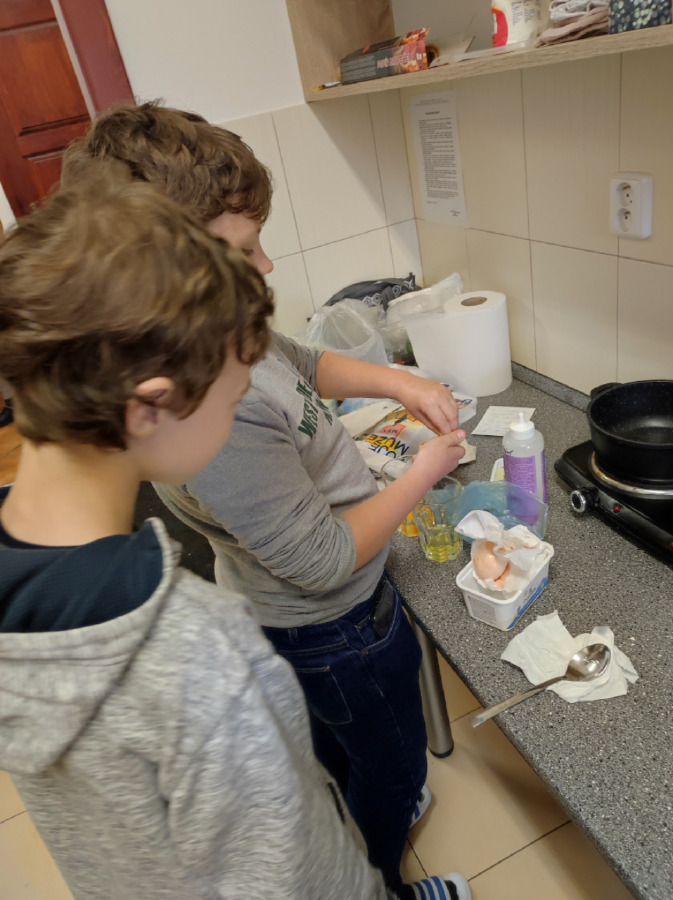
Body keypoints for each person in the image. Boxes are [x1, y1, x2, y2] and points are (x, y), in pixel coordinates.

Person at [61, 102, 471, 900]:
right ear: (178, 268)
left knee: (345, 752)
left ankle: (372, 811)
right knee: (392, 763)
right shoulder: (221, 406)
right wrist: (423, 470)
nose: (268, 264)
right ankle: (381, 873)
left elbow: (302, 361)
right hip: (332, 626)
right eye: (244, 250)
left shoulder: (225, 341)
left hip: (296, 622)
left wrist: (398, 381)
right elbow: (321, 561)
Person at [0, 174, 392, 900]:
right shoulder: (198, 649)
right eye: (235, 394)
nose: (240, 407)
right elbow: (293, 874)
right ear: (150, 407)